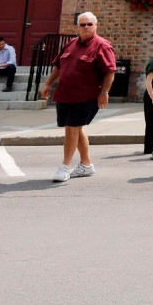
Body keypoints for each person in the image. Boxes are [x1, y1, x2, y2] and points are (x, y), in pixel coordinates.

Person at [40, 12, 116, 183]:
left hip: (86, 95)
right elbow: (59, 66)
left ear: (96, 25)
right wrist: (47, 84)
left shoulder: (102, 45)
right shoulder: (71, 44)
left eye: (90, 24)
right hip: (65, 94)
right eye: (83, 24)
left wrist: (104, 92)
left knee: (71, 128)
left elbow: (109, 72)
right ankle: (86, 165)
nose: (86, 27)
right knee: (76, 128)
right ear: (78, 26)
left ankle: (65, 166)